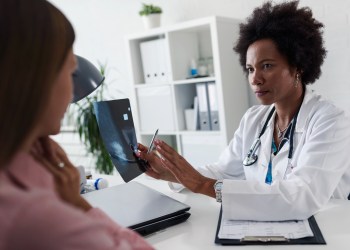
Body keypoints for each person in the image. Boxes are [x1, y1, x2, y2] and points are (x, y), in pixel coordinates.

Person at [137, 0, 350, 221]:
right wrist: (172, 173)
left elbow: (301, 196)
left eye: (267, 66)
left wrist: (203, 185)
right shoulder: (254, 119)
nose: (255, 79)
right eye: (250, 69)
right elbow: (224, 172)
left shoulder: (330, 122)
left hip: (324, 231)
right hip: (266, 227)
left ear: (297, 67)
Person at [0, 0, 153, 249]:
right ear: (35, 79)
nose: (73, 90)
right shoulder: (35, 219)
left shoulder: (27, 161)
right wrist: (78, 204)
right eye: (71, 70)